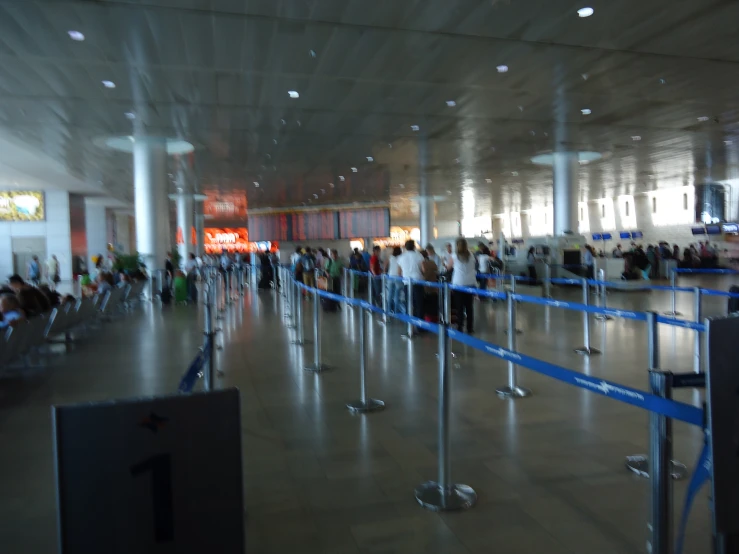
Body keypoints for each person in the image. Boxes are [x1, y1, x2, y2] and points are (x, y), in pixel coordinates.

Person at [447, 238, 476, 334]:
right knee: (469, 307)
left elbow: (448, 267)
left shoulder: (454, 255)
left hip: (458, 284)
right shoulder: (471, 255)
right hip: (470, 283)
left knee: (459, 307)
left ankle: (460, 326)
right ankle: (470, 328)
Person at [397, 240, 424, 322]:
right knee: (419, 304)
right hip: (417, 281)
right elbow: (423, 269)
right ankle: (420, 325)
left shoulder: (401, 257)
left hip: (406, 282)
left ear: (405, 247)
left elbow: (399, 272)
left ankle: (410, 324)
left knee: (409, 303)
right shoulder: (419, 255)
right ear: (414, 246)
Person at [385, 246, 403, 314]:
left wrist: (384, 271)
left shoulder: (390, 257)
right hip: (398, 277)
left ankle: (389, 310)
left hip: (390, 276)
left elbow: (385, 265)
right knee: (397, 295)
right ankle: (396, 311)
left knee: (390, 294)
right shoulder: (401, 257)